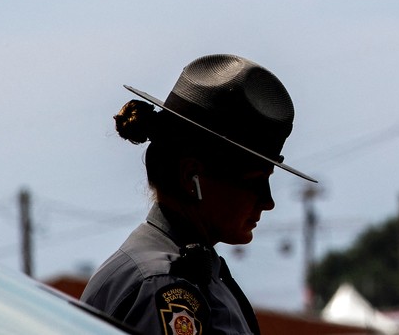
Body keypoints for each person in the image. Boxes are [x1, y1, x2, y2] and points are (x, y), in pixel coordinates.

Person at [81, 54, 316, 335]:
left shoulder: (190, 273)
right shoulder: (164, 287)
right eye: (254, 182)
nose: (268, 202)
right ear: (191, 177)